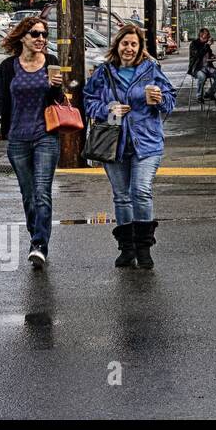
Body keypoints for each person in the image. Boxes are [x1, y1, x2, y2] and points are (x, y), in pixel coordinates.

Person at [83, 24, 177, 269]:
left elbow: (170, 100)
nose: (129, 48)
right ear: (118, 45)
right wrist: (106, 109)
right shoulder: (104, 72)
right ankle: (127, 249)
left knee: (141, 191)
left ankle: (144, 248)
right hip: (114, 142)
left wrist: (160, 99)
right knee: (122, 196)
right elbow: (88, 100)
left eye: (134, 44)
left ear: (140, 47)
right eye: (125, 43)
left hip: (146, 141)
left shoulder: (151, 70)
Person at [0, 17, 66, 268]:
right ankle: (36, 235)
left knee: (42, 193)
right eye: (35, 34)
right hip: (18, 139)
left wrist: (55, 87)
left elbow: (58, 100)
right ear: (22, 38)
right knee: (28, 195)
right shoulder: (9, 67)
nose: (41, 38)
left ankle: (39, 244)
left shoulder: (51, 62)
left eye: (44, 34)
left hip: (45, 137)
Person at [187, 28, 216, 100]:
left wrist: (215, 56)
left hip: (208, 67)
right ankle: (199, 96)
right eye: (206, 34)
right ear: (201, 35)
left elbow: (209, 55)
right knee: (202, 76)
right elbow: (198, 54)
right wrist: (207, 45)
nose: (208, 36)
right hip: (197, 68)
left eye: (208, 34)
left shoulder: (206, 44)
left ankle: (209, 93)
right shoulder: (194, 44)